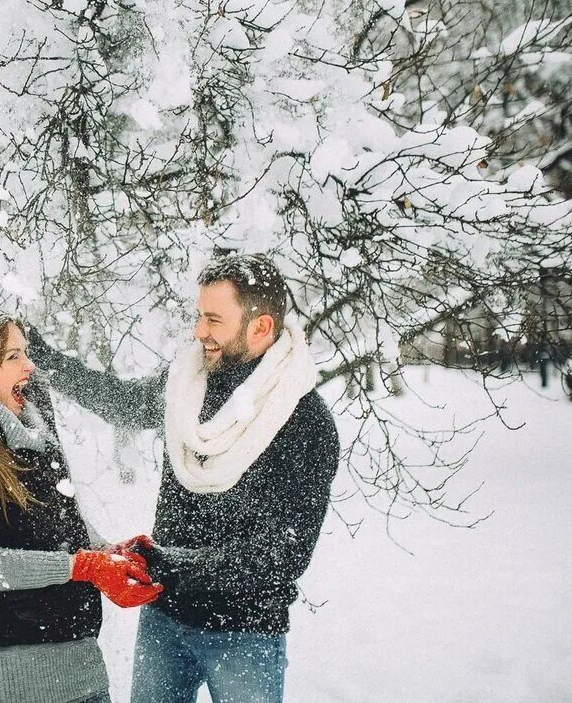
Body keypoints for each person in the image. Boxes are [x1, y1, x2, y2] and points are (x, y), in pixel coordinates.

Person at [27, 254, 340, 703]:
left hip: (246, 633)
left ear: (261, 327)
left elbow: (282, 556)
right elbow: (123, 402)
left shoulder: (304, 422)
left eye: (214, 320)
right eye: (199, 316)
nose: (199, 332)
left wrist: (171, 565)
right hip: (165, 621)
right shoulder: (188, 385)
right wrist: (47, 361)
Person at [0, 307, 163, 703]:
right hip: (10, 687)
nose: (29, 365)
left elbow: (58, 518)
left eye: (25, 352)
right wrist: (83, 566)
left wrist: (105, 551)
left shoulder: (34, 426)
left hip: (83, 676)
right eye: (12, 356)